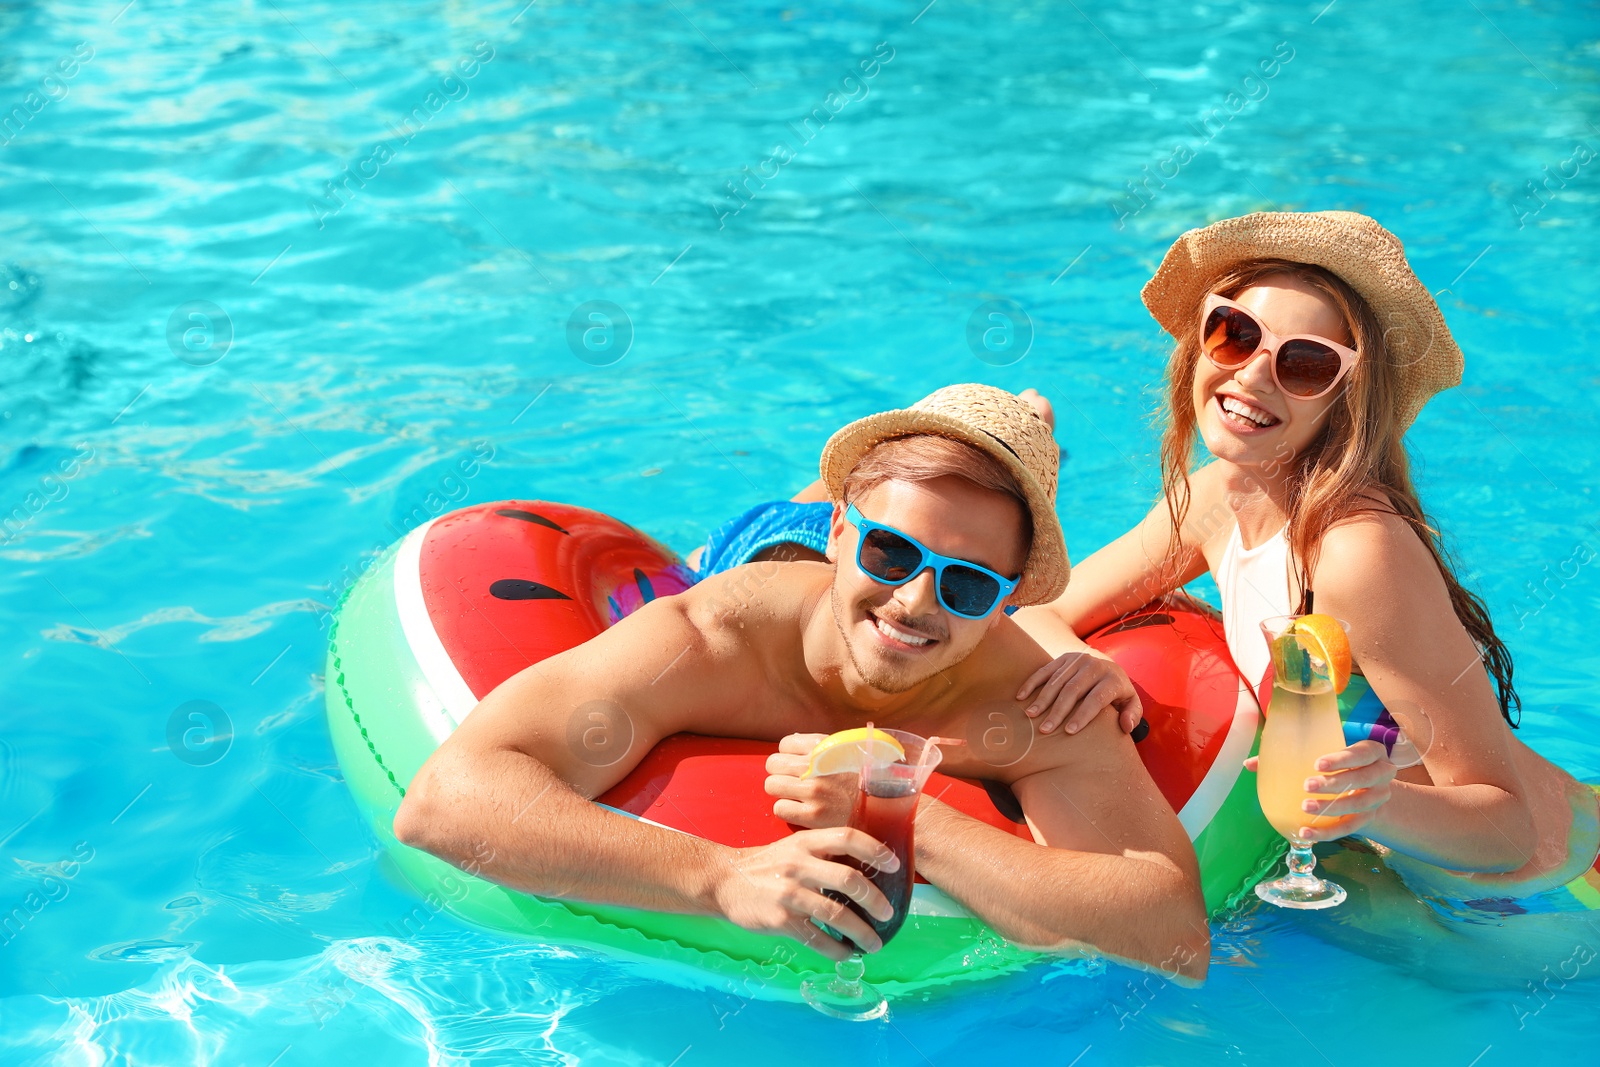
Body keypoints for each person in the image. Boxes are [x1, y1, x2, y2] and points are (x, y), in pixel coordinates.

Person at [393, 385, 1209, 977]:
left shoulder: (1029, 704)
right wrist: (720, 877)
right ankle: (973, 431)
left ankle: (1008, 433)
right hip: (765, 559)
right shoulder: (706, 639)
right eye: (893, 552)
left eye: (966, 584)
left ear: (1007, 603)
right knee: (781, 533)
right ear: (845, 530)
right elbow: (444, 801)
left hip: (840, 580)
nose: (917, 601)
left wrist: (912, 813)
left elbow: (1172, 926)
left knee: (912, 566)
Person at [1013, 210, 1599, 908]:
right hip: (1412, 876)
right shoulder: (1214, 500)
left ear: (1345, 400)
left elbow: (1505, 825)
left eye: (1306, 362)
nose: (1255, 376)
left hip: (1546, 890)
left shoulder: (1355, 552)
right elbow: (1044, 607)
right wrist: (1093, 666)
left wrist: (1370, 807)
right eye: (1235, 333)